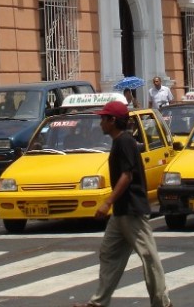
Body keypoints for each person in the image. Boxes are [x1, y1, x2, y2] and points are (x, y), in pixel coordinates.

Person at [72, 100, 171, 307]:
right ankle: (98, 302)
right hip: (121, 212)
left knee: (149, 257)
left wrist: (107, 202)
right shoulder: (119, 141)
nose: (101, 123)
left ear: (113, 121)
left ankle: (162, 303)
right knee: (109, 253)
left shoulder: (125, 142)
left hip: (132, 210)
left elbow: (127, 175)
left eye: (103, 118)